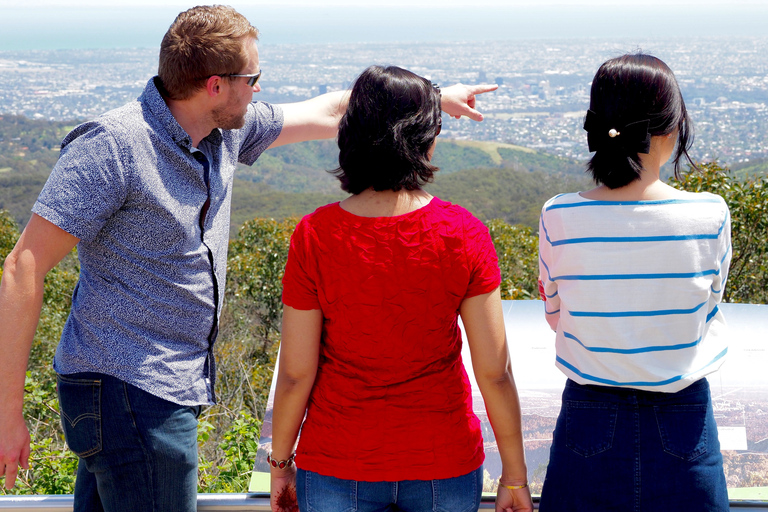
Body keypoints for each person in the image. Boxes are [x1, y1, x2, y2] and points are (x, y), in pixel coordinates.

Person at [0, 6, 495, 511]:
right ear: (215, 85)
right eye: (253, 77)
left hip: (149, 391)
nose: (259, 88)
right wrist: (6, 413)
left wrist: (433, 100)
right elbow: (23, 266)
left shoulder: (223, 131)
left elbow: (328, 111)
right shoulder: (114, 147)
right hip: (130, 389)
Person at [269, 65, 533, 512]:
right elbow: (495, 373)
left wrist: (279, 465)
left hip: (337, 461)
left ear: (348, 137)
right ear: (427, 141)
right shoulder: (463, 233)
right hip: (443, 459)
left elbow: (296, 374)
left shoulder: (315, 235)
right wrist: (514, 476)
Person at [537, 53, 732, 511]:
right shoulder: (708, 213)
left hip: (587, 413)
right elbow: (707, 307)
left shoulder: (560, 214)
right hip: (684, 416)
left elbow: (554, 315)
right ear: (671, 129)